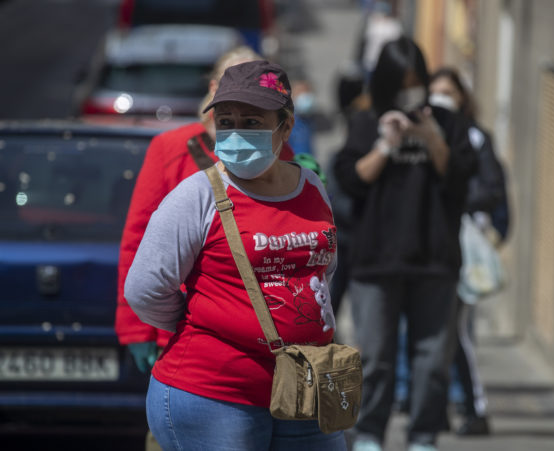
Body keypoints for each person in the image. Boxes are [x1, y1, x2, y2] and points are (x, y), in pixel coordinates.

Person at [124, 60, 344, 450]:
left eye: (253, 122)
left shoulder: (311, 185)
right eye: (226, 121)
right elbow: (144, 288)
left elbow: (323, 269)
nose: (237, 133)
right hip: (214, 394)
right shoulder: (196, 196)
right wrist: (210, 319)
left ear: (286, 127)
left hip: (305, 385)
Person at [334, 36, 477, 451]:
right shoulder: (367, 120)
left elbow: (462, 179)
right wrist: (385, 145)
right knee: (376, 358)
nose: (410, 91)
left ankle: (423, 436)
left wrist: (433, 138)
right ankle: (370, 435)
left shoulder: (448, 122)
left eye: (417, 82)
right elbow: (350, 179)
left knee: (432, 362)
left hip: (434, 260)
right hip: (376, 261)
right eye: (402, 83)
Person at [429, 66, 510, 436]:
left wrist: (456, 200)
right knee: (435, 331)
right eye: (435, 91)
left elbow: (493, 187)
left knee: (456, 330)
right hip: (430, 242)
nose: (442, 97)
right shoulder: (424, 135)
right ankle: (438, 405)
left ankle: (474, 407)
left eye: (449, 91)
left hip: (461, 243)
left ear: (462, 97)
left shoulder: (476, 137)